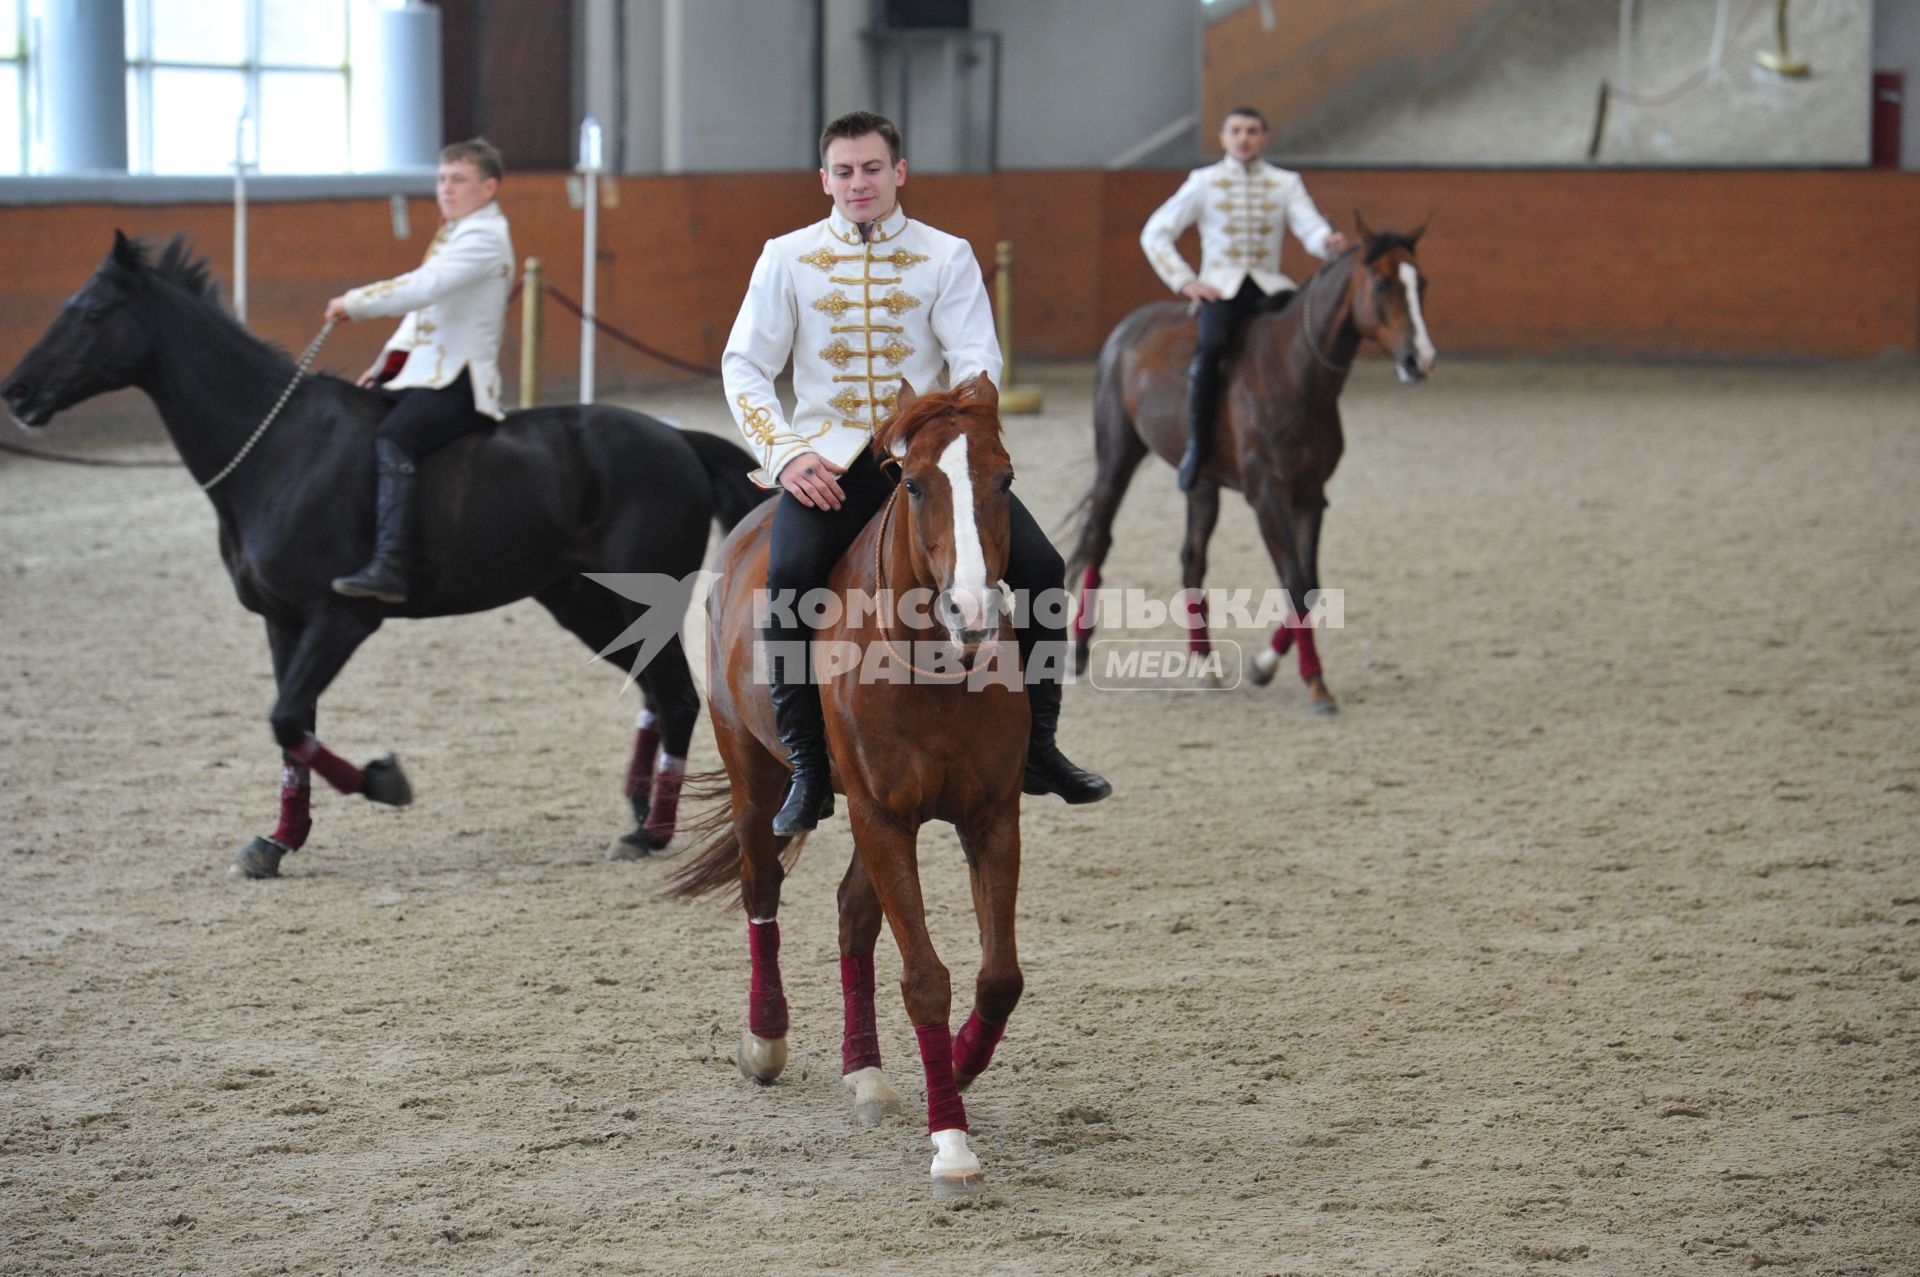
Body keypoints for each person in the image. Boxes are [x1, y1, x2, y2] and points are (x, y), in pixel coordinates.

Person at [723, 109, 1111, 836]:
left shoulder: (946, 254)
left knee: (1039, 565)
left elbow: (976, 360)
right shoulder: (786, 256)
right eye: (843, 171)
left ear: (898, 172)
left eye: (872, 168)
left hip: (929, 460)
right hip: (830, 464)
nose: (858, 182)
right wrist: (785, 454)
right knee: (788, 580)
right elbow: (745, 365)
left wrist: (959, 427)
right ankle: (808, 765)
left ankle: (1041, 749)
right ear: (825, 180)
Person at [322, 137, 515, 603]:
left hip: (460, 382)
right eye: (442, 179)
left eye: (458, 180)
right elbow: (422, 320)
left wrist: (354, 302)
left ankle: (392, 564)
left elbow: (422, 288)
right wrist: (385, 367)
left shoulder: (485, 237)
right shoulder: (455, 234)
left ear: (488, 188)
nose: (445, 189)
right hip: (424, 375)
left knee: (395, 439)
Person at [1140, 106, 1350, 491]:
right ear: (1223, 138)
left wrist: (1327, 243)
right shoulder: (1204, 182)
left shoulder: (1285, 183)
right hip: (1221, 288)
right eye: (1236, 130)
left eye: (1252, 131)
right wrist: (1186, 281)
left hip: (1271, 289)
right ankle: (1198, 447)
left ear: (1263, 137)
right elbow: (1155, 232)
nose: (1244, 138)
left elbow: (1310, 227)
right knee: (1211, 348)